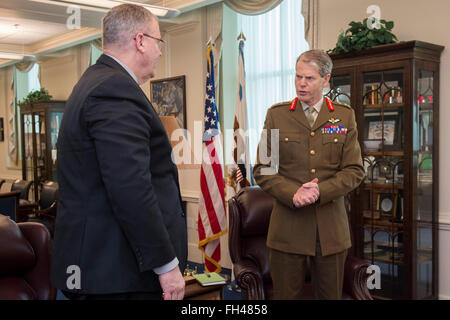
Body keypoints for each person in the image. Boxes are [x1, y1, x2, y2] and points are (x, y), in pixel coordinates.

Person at [51, 4, 187, 300]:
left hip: (97, 268)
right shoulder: (114, 88)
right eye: (158, 42)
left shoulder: (93, 81)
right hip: (116, 273)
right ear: (140, 41)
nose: (160, 52)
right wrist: (166, 265)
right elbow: (130, 187)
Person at [253, 50, 365, 299]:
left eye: (310, 78)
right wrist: (294, 192)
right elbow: (263, 169)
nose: (301, 83)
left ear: (325, 80)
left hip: (330, 230)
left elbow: (354, 170)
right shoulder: (277, 115)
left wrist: (319, 192)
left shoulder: (344, 116)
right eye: (298, 76)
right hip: (287, 228)